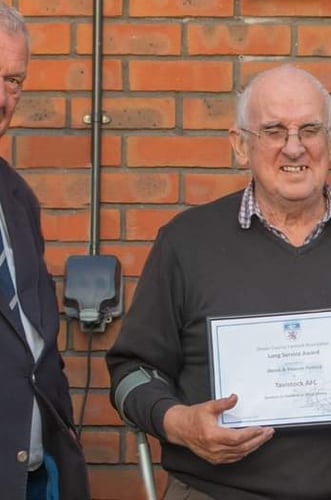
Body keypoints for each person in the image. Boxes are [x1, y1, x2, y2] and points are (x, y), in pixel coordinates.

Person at [106, 64, 331, 499]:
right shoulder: (186, 242)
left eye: (310, 129)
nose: (294, 148)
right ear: (240, 145)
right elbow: (129, 372)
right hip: (215, 491)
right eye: (273, 130)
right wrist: (178, 423)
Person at [0, 4, 91, 500]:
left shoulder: (17, 198)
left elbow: (37, 344)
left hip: (34, 474)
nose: (2, 97)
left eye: (14, 80)